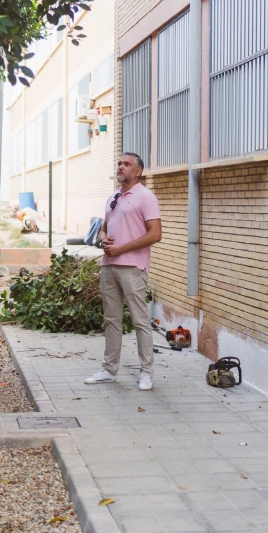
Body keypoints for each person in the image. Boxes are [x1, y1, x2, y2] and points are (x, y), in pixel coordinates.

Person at [85, 152, 162, 391]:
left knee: (140, 321)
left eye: (126, 164)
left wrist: (121, 249)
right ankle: (109, 370)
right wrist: (104, 240)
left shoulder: (145, 197)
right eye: (119, 163)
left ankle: (146, 373)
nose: (121, 167)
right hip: (109, 267)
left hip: (132, 267)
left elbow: (155, 234)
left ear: (137, 172)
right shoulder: (114, 196)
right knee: (111, 320)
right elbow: (103, 228)